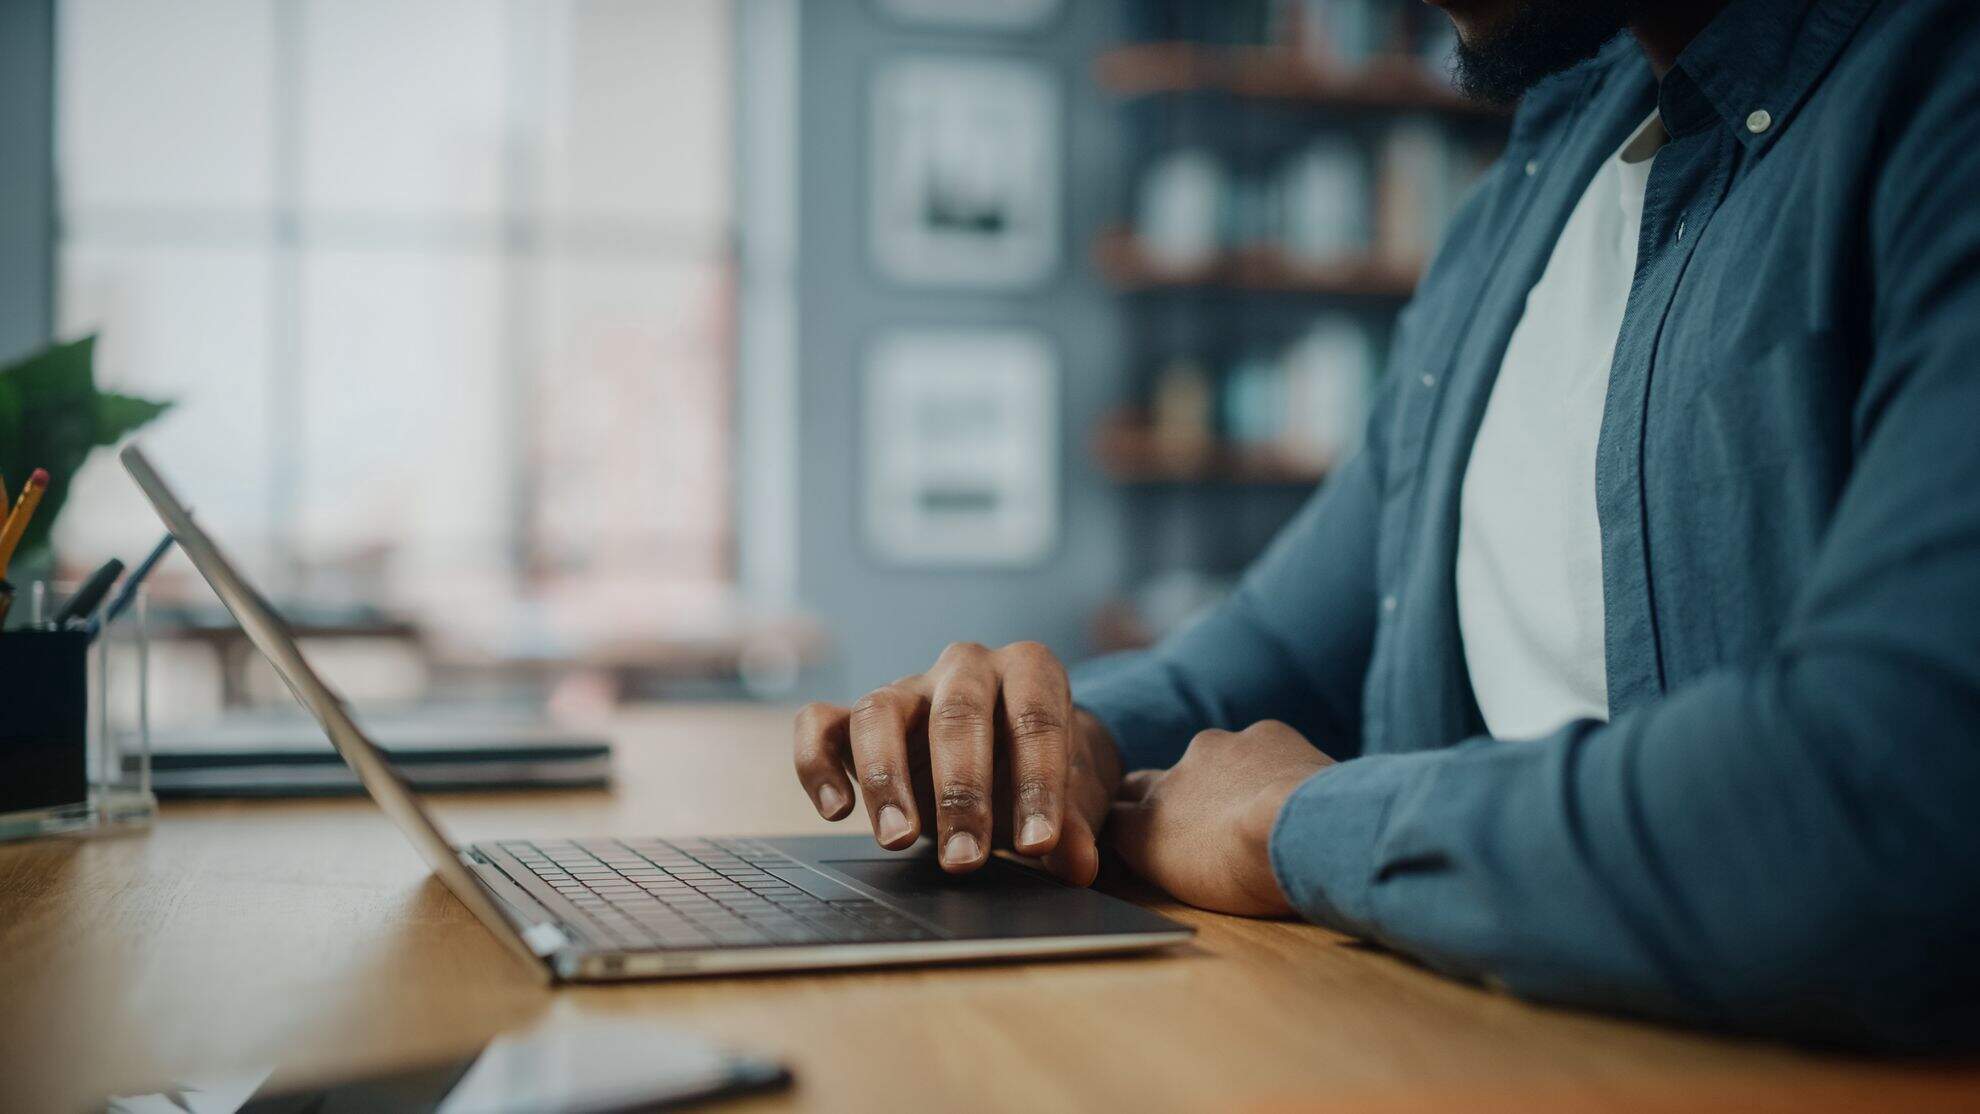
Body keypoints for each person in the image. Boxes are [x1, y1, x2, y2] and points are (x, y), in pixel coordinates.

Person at [792, 0, 1980, 1050]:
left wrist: (1301, 827)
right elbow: (1286, 643)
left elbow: (1893, 795)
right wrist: (1060, 742)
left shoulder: (1936, 95)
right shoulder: (1527, 193)